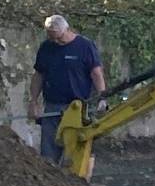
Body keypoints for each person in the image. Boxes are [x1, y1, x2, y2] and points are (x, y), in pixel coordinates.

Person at [31, 14, 104, 164]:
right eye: (52, 38)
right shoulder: (46, 47)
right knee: (48, 152)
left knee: (77, 151)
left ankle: (76, 176)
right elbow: (39, 75)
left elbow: (96, 73)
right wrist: (33, 101)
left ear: (67, 29)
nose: (56, 41)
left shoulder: (85, 46)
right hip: (53, 106)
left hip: (79, 107)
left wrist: (102, 97)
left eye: (59, 37)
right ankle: (49, 174)